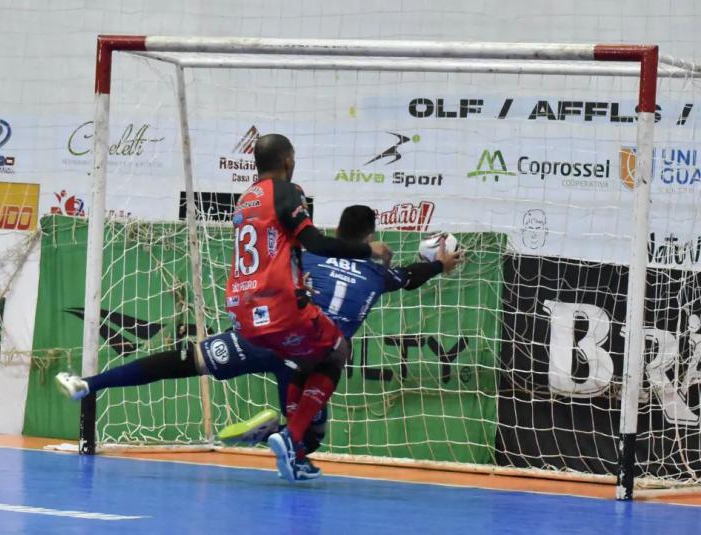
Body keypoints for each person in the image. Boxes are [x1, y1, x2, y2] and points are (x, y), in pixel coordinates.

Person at [55, 204, 462, 480]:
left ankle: (91, 383)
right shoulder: (378, 275)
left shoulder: (309, 252)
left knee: (183, 361)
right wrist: (438, 264)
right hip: (308, 352)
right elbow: (410, 276)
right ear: (371, 235)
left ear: (337, 231)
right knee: (321, 404)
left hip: (265, 334)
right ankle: (286, 437)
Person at [224, 134, 396, 482]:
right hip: (278, 305)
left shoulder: (245, 199)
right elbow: (314, 241)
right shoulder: (287, 192)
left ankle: (292, 444)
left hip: (241, 310)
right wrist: (370, 251)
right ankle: (288, 434)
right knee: (337, 348)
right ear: (288, 160)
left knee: (303, 355)